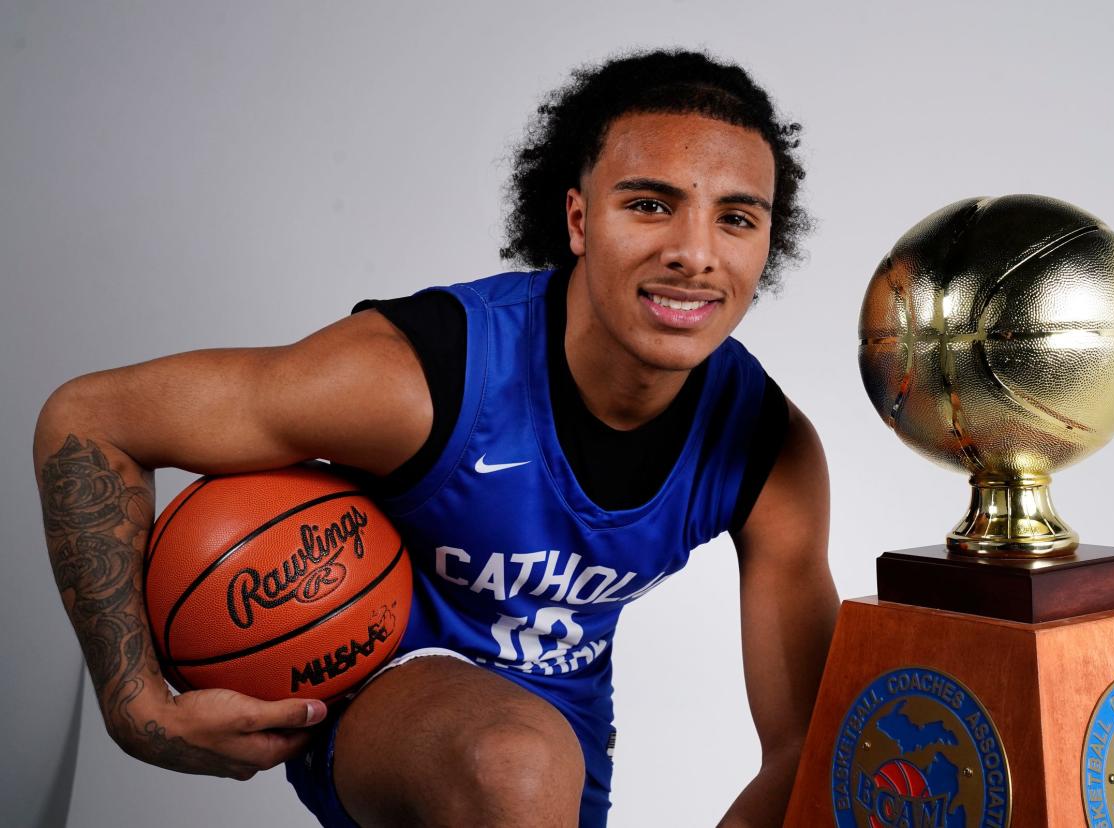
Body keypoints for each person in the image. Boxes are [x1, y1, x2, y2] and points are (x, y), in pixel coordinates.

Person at [34, 49, 838, 827]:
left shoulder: (765, 448)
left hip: (568, 736)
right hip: (385, 701)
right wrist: (135, 703)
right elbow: (91, 419)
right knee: (514, 763)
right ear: (579, 218)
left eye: (736, 219)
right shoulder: (420, 378)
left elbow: (807, 743)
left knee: (534, 763)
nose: (694, 254)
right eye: (650, 205)